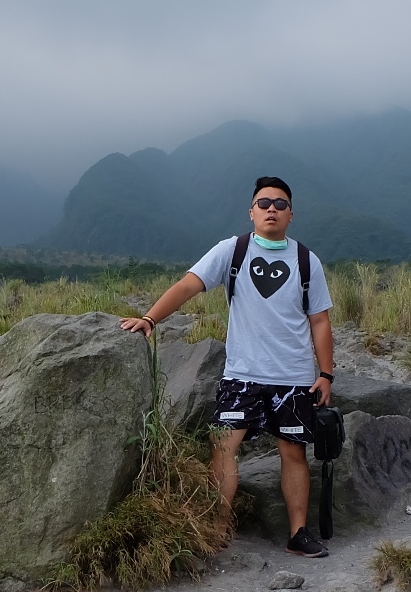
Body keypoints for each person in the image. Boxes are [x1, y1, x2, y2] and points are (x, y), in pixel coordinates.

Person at [120, 175, 335, 557]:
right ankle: (218, 529)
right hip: (242, 374)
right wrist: (150, 319)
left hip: (294, 377)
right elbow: (188, 285)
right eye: (264, 203)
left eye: (280, 204)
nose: (272, 209)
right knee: (223, 446)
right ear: (251, 211)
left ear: (291, 214)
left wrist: (325, 373)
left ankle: (298, 533)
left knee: (293, 452)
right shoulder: (232, 251)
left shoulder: (306, 260)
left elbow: (319, 320)